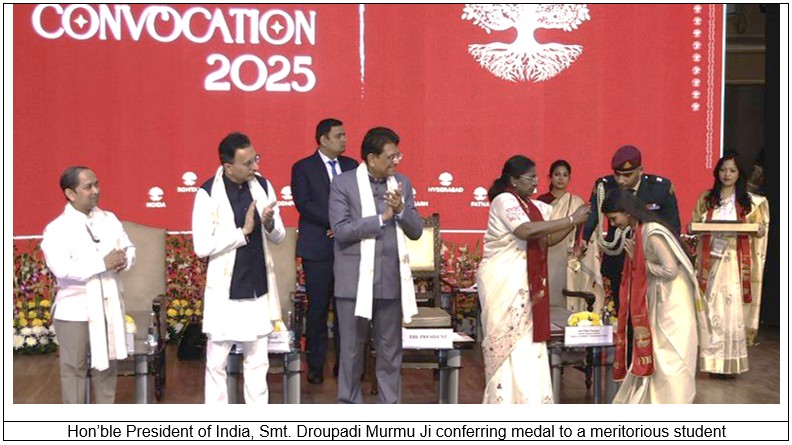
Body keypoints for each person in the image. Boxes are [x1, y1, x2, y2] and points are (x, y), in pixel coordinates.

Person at [476, 155, 590, 404]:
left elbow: (548, 239)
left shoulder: (532, 206)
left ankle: (529, 401)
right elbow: (525, 231)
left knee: (528, 344)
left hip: (525, 282)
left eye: (537, 177)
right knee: (506, 343)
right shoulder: (504, 200)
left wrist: (576, 222)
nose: (536, 182)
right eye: (531, 178)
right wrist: (571, 219)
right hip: (503, 280)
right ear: (514, 180)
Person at [328, 127, 423, 403]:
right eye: (391, 157)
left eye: (398, 156)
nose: (396, 162)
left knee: (390, 350)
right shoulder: (343, 183)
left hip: (390, 280)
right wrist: (382, 219)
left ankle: (389, 409)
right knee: (351, 351)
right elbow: (341, 230)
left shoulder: (402, 183)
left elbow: (416, 230)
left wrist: (401, 210)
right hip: (353, 282)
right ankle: (349, 408)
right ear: (371, 158)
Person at [192, 132, 286, 404]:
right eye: (248, 163)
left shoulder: (263, 186)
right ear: (228, 166)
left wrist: (268, 223)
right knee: (216, 363)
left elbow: (279, 236)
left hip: (257, 284)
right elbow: (201, 246)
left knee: (257, 362)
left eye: (256, 159)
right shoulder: (207, 193)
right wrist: (241, 233)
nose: (256, 166)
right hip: (226, 288)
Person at [41, 166, 136, 403]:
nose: (95, 191)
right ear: (70, 193)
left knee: (107, 366)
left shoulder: (109, 219)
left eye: (97, 184)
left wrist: (125, 260)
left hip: (108, 305)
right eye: (88, 187)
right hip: (75, 310)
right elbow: (61, 269)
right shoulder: (57, 228)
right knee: (74, 369)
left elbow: (129, 248)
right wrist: (102, 263)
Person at [601, 189, 704, 404]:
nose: (613, 224)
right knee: (659, 351)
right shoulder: (639, 229)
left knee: (671, 353)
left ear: (627, 212)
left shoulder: (651, 231)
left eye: (614, 218)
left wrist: (639, 262)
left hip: (673, 299)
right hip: (661, 295)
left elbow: (670, 270)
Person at [291, 118, 358, 384]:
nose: (344, 140)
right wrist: (335, 223)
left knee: (346, 311)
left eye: (345, 135)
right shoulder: (303, 168)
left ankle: (345, 367)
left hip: (348, 248)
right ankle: (316, 367)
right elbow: (304, 204)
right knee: (317, 309)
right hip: (317, 249)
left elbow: (360, 202)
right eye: (339, 135)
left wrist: (344, 226)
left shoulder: (352, 166)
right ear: (323, 139)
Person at [691, 153, 769, 375]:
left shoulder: (749, 202)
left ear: (739, 174)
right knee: (711, 310)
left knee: (732, 313)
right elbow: (695, 224)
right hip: (711, 261)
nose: (727, 174)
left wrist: (759, 230)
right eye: (723, 170)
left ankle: (731, 363)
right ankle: (712, 363)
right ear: (717, 172)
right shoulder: (707, 198)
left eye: (732, 170)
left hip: (734, 262)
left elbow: (759, 230)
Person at [536, 160, 588, 312]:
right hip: (546, 252)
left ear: (569, 178)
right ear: (550, 177)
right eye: (557, 174)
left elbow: (581, 231)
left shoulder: (576, 202)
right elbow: (539, 230)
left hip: (569, 254)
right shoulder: (541, 202)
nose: (561, 178)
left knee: (568, 292)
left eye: (565, 175)